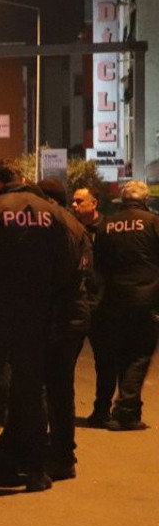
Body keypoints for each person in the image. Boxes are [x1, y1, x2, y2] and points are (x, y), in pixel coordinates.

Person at [0, 159, 78, 494]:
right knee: (31, 390)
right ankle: (36, 470)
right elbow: (67, 263)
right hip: (35, 315)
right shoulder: (51, 214)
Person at [92, 179, 159, 431]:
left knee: (120, 353)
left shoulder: (108, 225)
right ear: (145, 200)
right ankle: (127, 412)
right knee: (139, 354)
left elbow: (98, 263)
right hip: (145, 299)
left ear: (123, 199)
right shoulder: (153, 223)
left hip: (112, 300)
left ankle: (120, 408)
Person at [37, 179, 92, 480]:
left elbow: (54, 275)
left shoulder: (56, 226)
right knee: (59, 387)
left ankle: (60, 455)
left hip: (59, 317)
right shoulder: (76, 227)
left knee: (54, 389)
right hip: (73, 315)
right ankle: (59, 452)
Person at [72, 187, 113, 427]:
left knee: (105, 361)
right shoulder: (71, 229)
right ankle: (61, 410)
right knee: (65, 359)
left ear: (94, 203)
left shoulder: (107, 229)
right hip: (77, 302)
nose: (75, 205)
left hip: (102, 304)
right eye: (73, 201)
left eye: (80, 201)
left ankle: (102, 409)